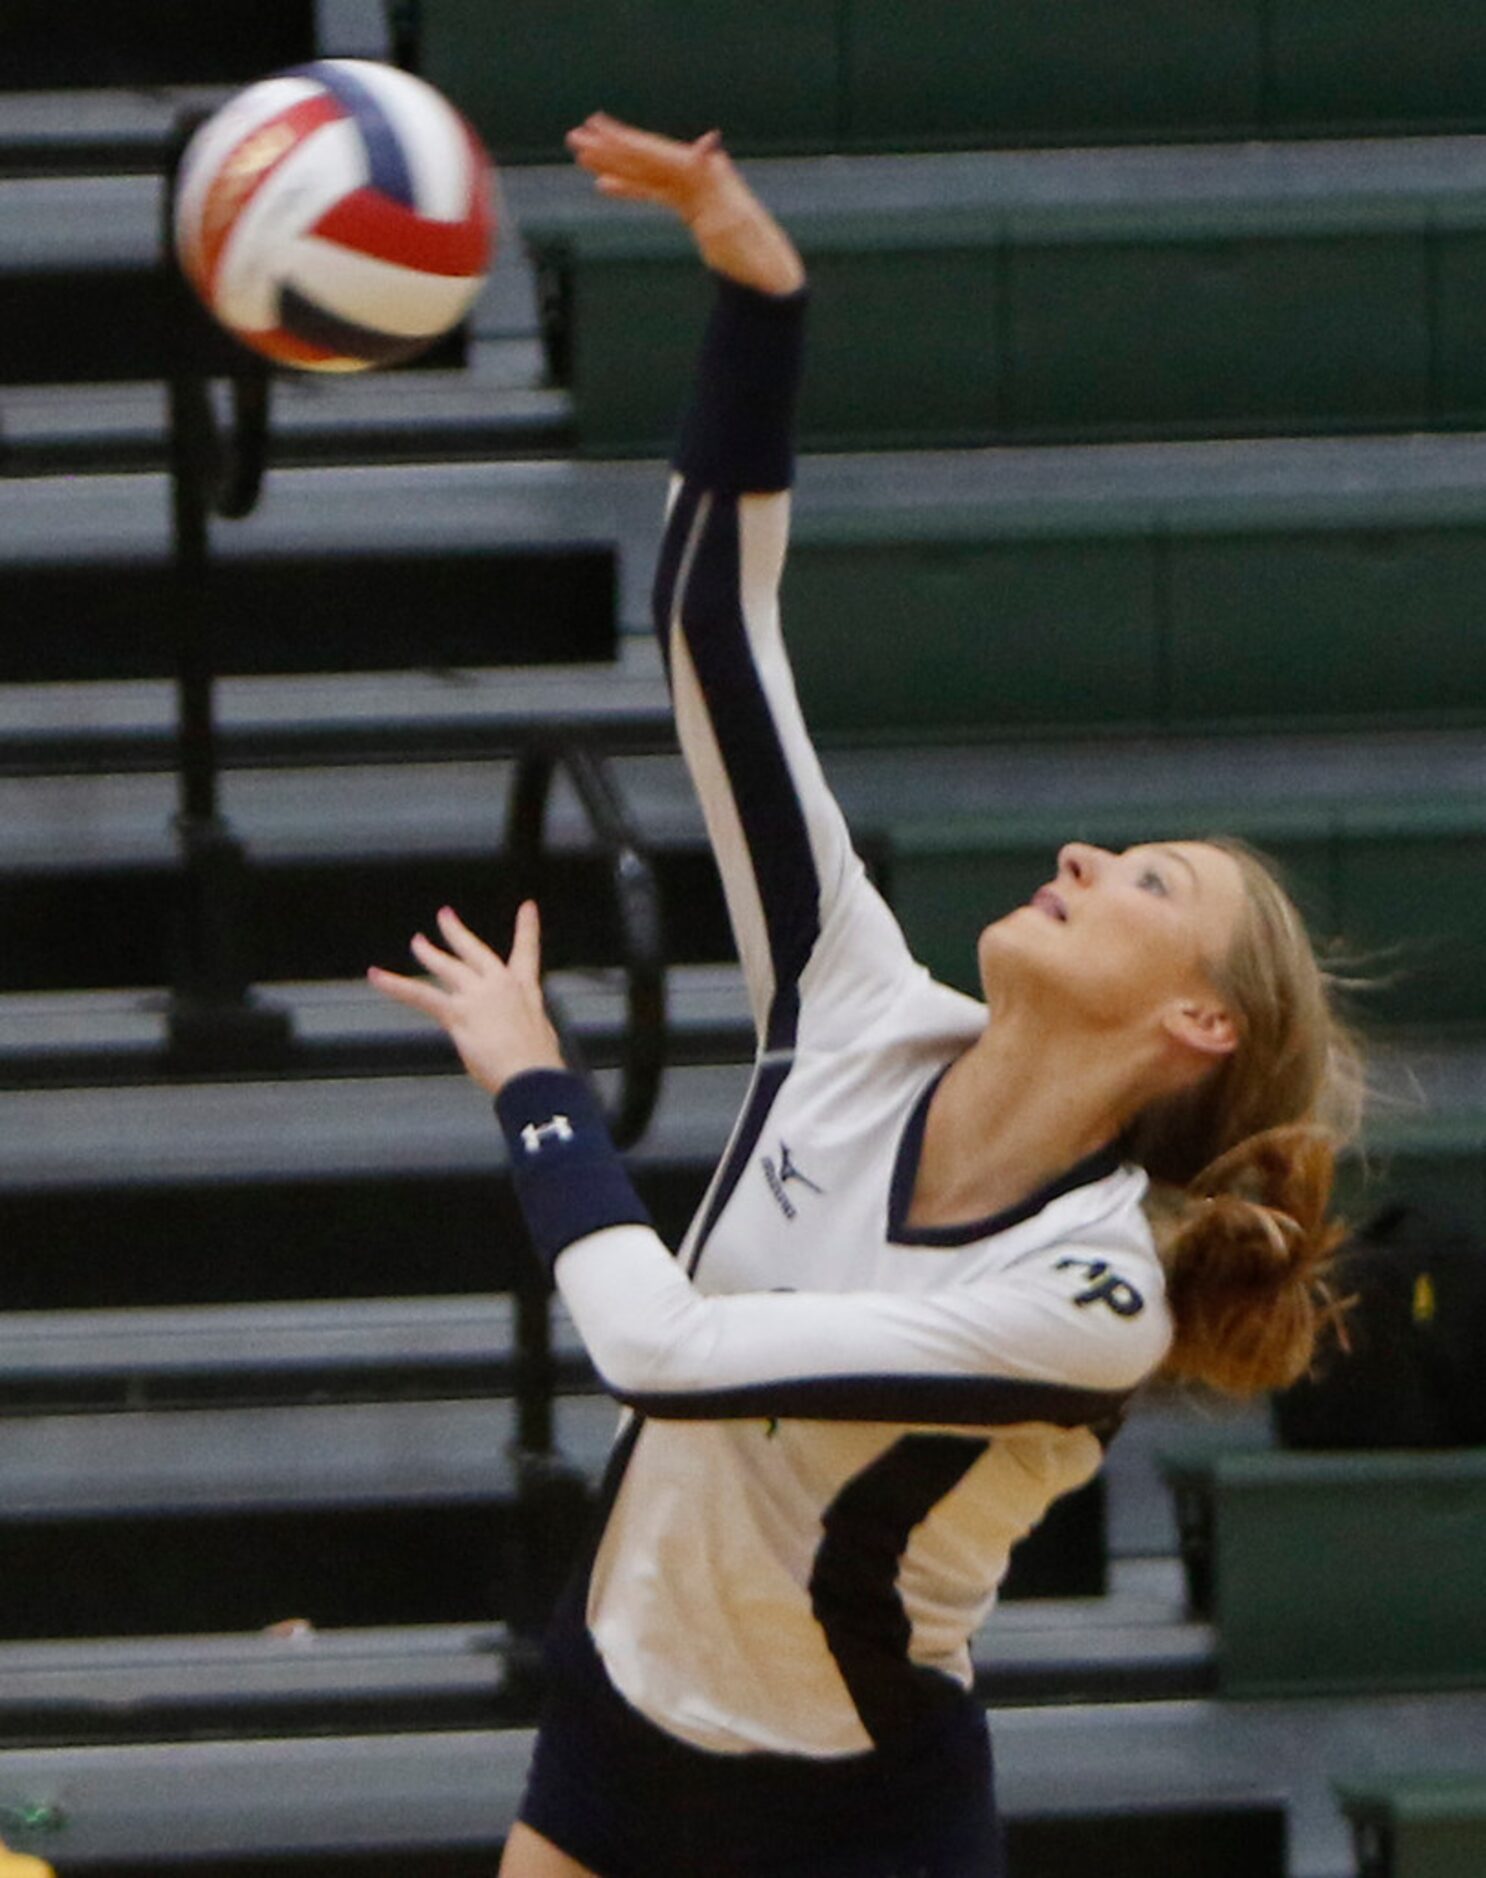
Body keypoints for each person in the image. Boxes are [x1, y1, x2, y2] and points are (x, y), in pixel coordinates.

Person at [370, 115, 1362, 1878]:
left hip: (848, 1816)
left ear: (1194, 1025)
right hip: (617, 1705)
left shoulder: (1093, 1288)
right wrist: (762, 303)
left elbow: (659, 1351)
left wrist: (536, 1083)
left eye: (1145, 881)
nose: (1082, 855)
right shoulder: (848, 997)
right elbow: (711, 638)